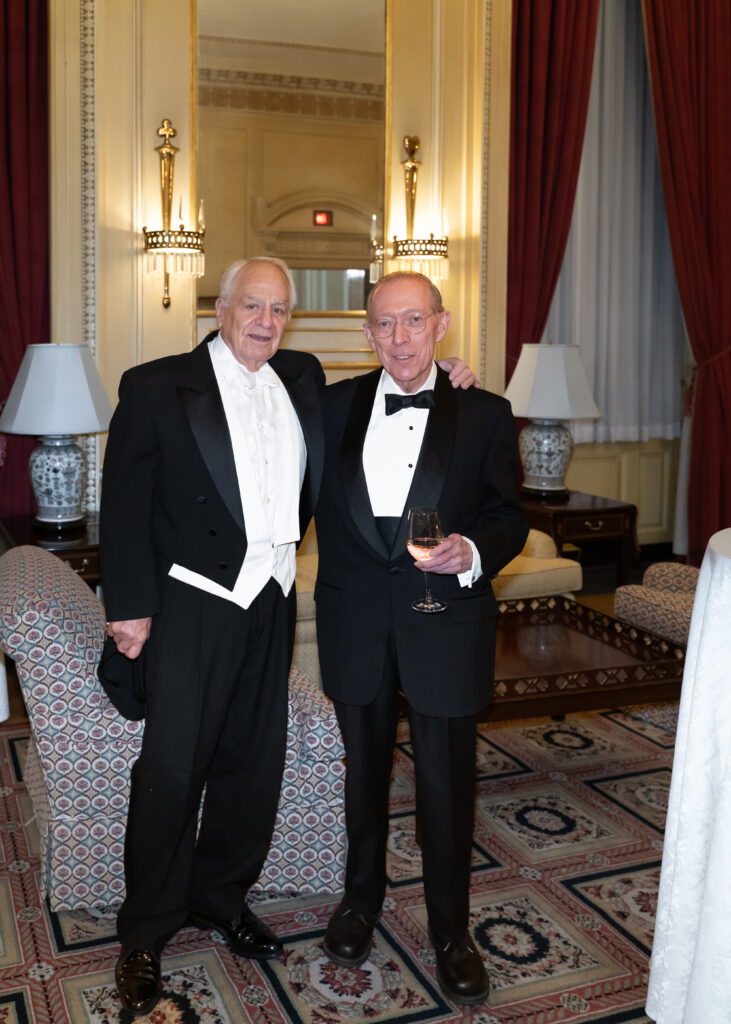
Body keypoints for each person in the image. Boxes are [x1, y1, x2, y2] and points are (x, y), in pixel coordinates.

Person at [99, 257, 474, 1016]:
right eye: (252, 305)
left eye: (278, 309)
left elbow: (396, 389)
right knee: (173, 769)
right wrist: (129, 606)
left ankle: (219, 895)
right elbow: (125, 502)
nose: (265, 321)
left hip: (271, 598)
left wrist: (451, 377)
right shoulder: (155, 386)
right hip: (193, 600)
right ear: (221, 307)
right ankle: (144, 931)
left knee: (251, 763)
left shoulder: (303, 379)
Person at [314, 271, 528, 1005]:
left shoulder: (485, 412)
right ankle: (359, 903)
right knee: (362, 776)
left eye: (413, 321)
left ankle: (451, 931)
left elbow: (509, 516)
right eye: (384, 323)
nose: (399, 337)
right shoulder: (331, 404)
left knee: (446, 784)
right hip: (354, 622)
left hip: (447, 623)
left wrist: (472, 550)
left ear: (440, 324)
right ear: (366, 333)